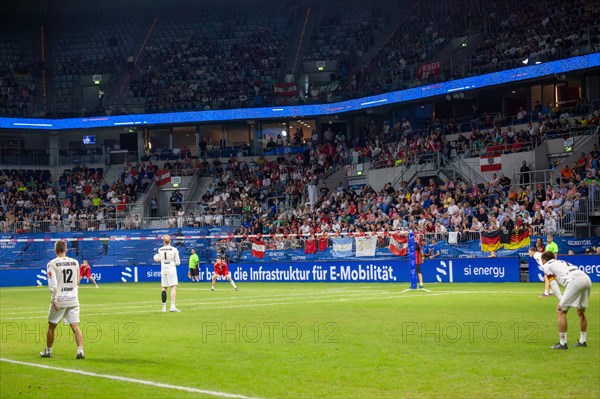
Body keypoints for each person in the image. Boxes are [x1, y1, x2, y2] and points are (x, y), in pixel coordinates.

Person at [40, 239, 85, 359]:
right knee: (75, 325)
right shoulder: (75, 262)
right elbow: (78, 281)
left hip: (59, 299)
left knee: (51, 325)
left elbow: (53, 284)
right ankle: (80, 351)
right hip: (73, 298)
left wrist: (54, 299)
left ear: (55, 250)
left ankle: (48, 351)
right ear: (66, 250)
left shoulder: (51, 264)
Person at [540, 251, 592, 349]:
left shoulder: (546, 265)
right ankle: (582, 341)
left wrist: (560, 299)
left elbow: (553, 283)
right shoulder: (560, 262)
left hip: (575, 281)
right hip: (586, 279)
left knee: (560, 311)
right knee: (581, 310)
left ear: (543, 260)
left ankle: (563, 343)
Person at [157, 235, 181, 312]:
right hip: (171, 269)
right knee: (173, 286)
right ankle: (172, 306)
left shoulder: (160, 250)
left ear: (163, 241)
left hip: (164, 269)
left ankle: (163, 307)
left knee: (164, 287)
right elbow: (178, 262)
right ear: (170, 241)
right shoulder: (174, 249)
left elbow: (160, 259)